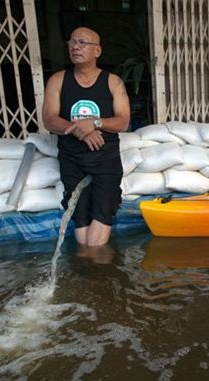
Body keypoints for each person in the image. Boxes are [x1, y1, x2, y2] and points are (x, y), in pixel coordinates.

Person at [42, 27, 130, 246]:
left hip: (105, 157)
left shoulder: (113, 82)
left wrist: (95, 123)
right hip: (71, 157)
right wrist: (82, 131)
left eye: (82, 42)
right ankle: (89, 269)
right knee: (80, 217)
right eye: (72, 42)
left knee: (102, 212)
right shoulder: (58, 80)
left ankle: (92, 269)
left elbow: (123, 121)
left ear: (97, 51)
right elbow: (50, 119)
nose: (75, 46)